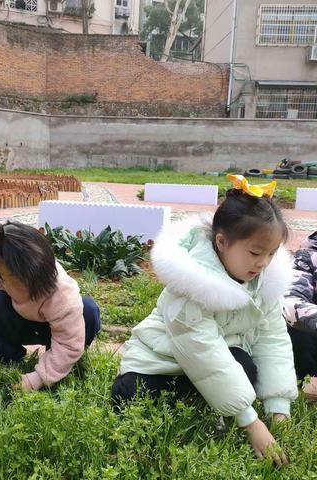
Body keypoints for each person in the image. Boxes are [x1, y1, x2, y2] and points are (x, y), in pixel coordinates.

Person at [111, 175, 297, 465]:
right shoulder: (191, 286)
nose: (263, 263)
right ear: (221, 242)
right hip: (159, 365)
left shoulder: (264, 282)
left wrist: (278, 409)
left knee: (243, 365)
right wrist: (250, 421)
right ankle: (203, 409)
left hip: (207, 367)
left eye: (271, 254)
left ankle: (210, 408)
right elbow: (204, 353)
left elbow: (273, 340)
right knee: (131, 394)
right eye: (255, 252)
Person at [0, 221, 101, 391]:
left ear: (33, 272)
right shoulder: (3, 269)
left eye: (10, 277)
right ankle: (7, 362)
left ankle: (63, 369)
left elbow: (68, 345)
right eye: (1, 274)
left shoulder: (62, 294)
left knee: (89, 310)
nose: (4, 280)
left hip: (55, 331)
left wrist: (38, 378)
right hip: (20, 323)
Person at [284, 231, 317, 399]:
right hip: (311, 336)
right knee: (296, 325)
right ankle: (307, 380)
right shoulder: (307, 257)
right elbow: (290, 300)